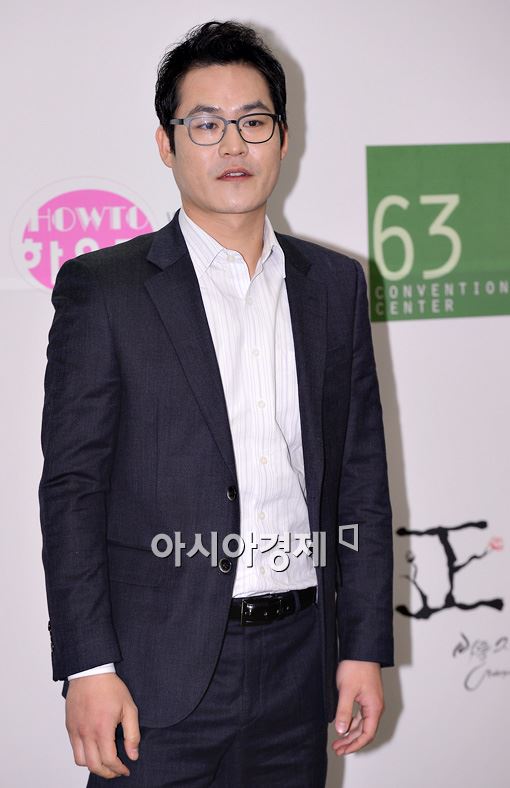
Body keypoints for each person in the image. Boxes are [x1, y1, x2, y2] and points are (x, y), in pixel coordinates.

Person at [39, 20, 394, 787]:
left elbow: (361, 478)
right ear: (166, 144)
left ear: (284, 138)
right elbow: (72, 489)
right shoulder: (106, 290)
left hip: (301, 663)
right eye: (205, 124)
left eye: (253, 122)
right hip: (155, 674)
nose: (233, 145)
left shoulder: (334, 287)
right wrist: (89, 665)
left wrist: (363, 646)